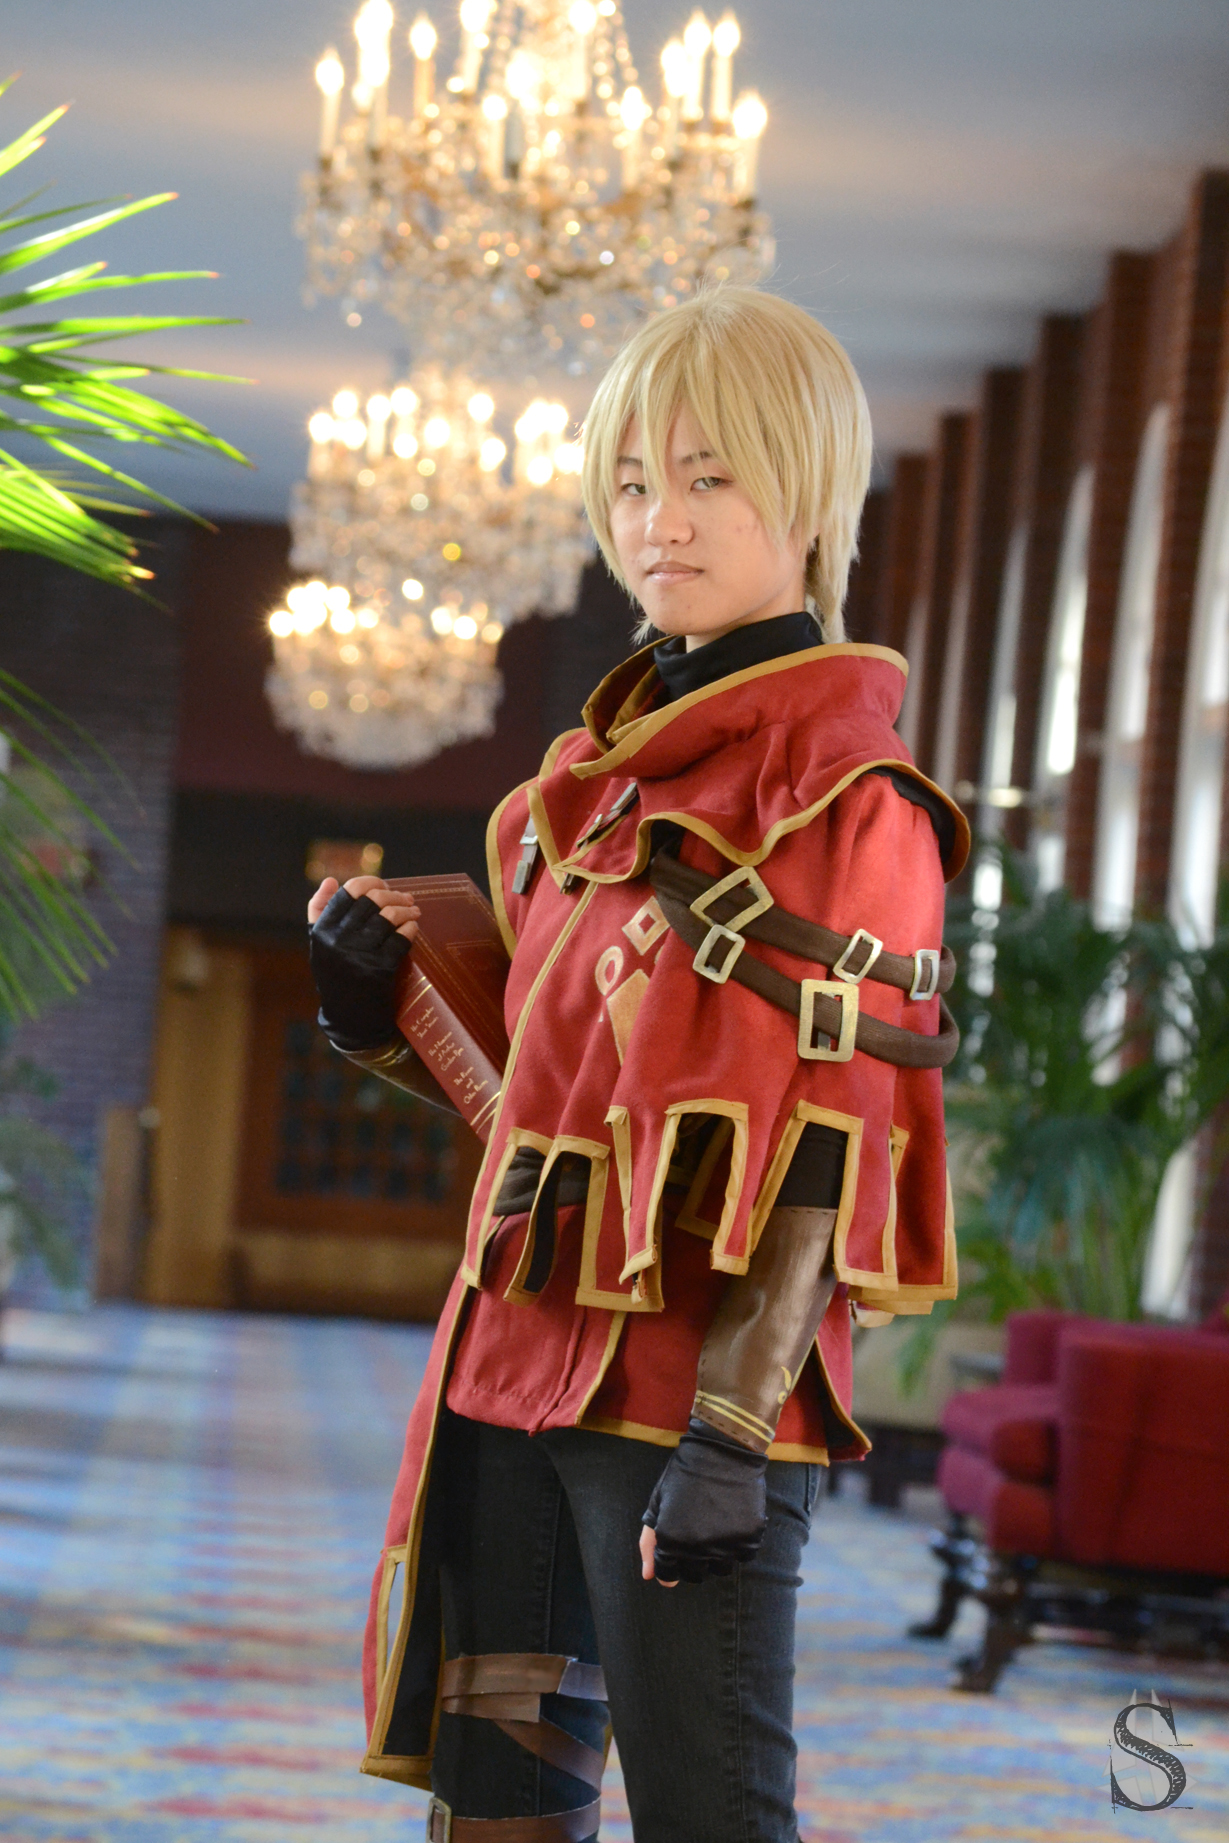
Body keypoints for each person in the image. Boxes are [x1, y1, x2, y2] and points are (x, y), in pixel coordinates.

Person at [307, 285, 968, 1843]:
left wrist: (733, 1429)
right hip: (509, 1351)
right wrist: (372, 1002)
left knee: (709, 1815)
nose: (656, 521)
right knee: (498, 1806)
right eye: (627, 482)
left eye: (706, 477)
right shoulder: (576, 797)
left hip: (688, 1389)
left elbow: (839, 1126)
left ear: (807, 491)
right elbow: (538, 1092)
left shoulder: (852, 800)